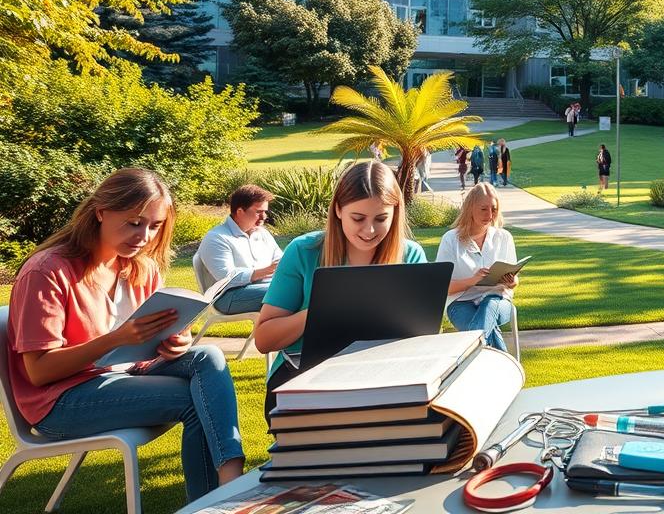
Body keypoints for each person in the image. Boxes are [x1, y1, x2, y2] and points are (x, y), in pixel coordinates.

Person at [5, 169, 243, 501]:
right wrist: (116, 338)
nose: (144, 236)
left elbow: (155, 342)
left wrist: (175, 342)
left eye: (154, 226)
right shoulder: (47, 272)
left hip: (125, 376)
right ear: (101, 211)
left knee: (207, 356)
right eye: (134, 223)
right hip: (59, 403)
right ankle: (220, 499)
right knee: (196, 399)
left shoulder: (139, 268)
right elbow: (39, 371)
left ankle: (229, 481)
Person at [255, 161, 426, 416]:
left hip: (384, 377)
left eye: (381, 219)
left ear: (395, 214)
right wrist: (321, 311)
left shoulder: (410, 255)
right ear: (338, 210)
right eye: (358, 218)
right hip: (305, 378)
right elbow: (264, 339)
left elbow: (422, 339)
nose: (369, 230)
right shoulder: (304, 251)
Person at [436, 183, 518, 352]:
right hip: (460, 303)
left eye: (493, 209)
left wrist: (511, 281)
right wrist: (473, 281)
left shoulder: (504, 237)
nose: (490, 215)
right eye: (483, 209)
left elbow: (514, 282)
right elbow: (443, 287)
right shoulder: (450, 240)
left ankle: (463, 360)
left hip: (498, 300)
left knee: (488, 307)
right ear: (470, 208)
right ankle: (502, 366)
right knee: (486, 330)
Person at [193, 184, 283, 315]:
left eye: (265, 212)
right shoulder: (217, 237)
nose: (264, 217)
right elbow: (226, 278)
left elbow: (280, 261)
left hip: (263, 287)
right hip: (227, 297)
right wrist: (264, 272)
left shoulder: (262, 234)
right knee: (286, 294)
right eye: (258, 212)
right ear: (240, 212)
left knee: (302, 289)